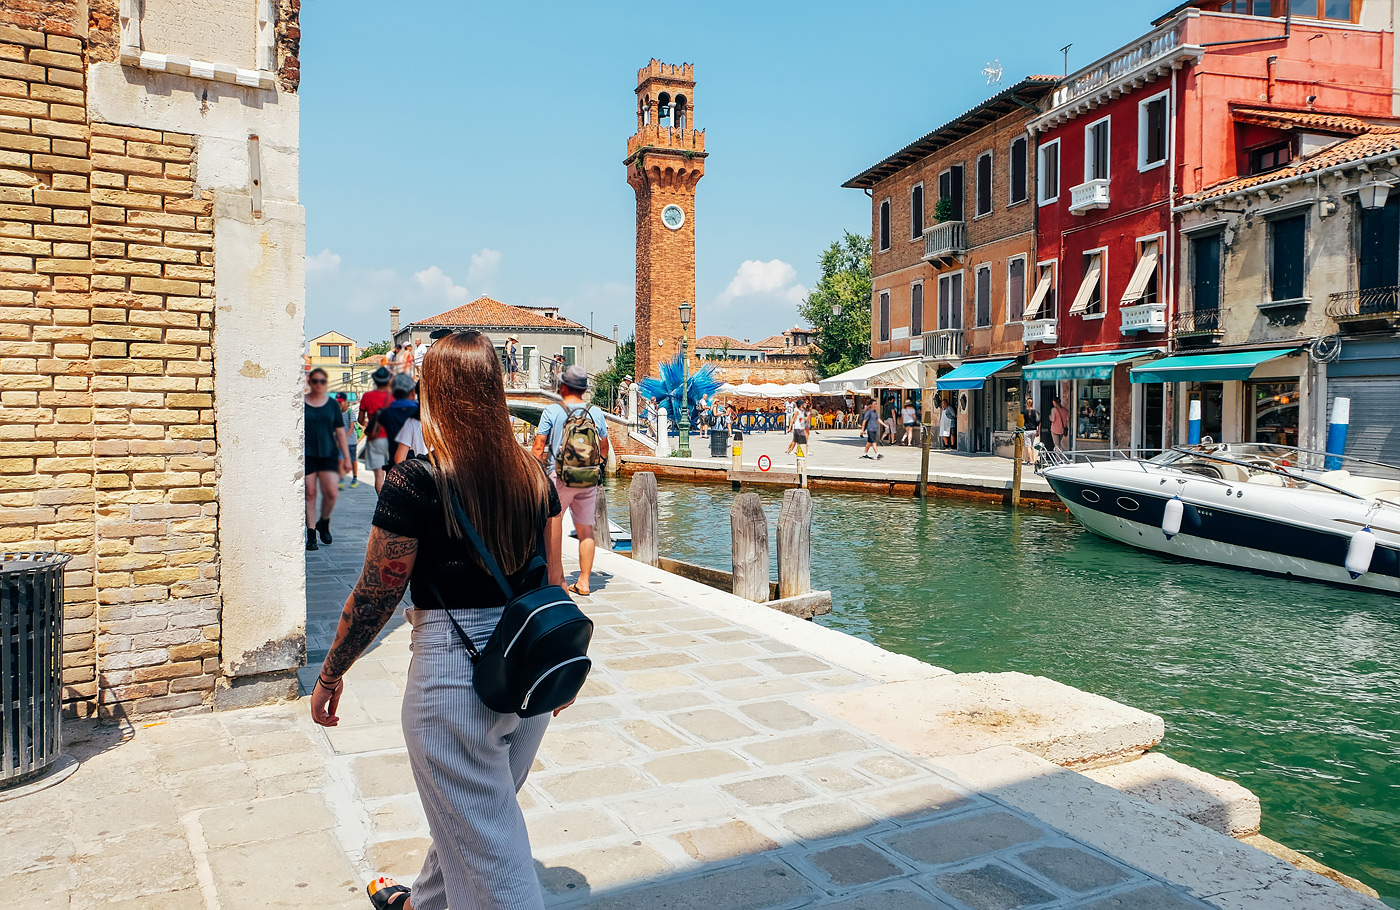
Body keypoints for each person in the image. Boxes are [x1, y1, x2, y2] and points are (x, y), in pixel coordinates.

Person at [310, 330, 567, 910]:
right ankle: (418, 904)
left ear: (435, 396)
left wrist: (331, 674)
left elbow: (376, 594)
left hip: (453, 681)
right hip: (525, 669)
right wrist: (557, 666)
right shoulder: (532, 473)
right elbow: (552, 580)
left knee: (497, 866)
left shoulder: (416, 481)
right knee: (475, 819)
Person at [532, 365, 611, 597]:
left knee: (553, 528)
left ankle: (558, 583)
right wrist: (597, 466)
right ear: (585, 389)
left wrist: (536, 474)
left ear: (563, 387)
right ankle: (584, 582)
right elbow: (604, 447)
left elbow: (538, 447)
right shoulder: (595, 412)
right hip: (587, 476)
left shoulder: (552, 411)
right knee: (585, 529)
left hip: (559, 476)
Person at [303, 368, 349, 551]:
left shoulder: (332, 405)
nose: (318, 384)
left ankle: (324, 522)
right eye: (315, 381)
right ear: (310, 382)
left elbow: (340, 432)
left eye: (322, 381)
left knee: (331, 492)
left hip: (329, 453)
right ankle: (311, 534)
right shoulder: (301, 403)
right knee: (310, 493)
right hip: (308, 454)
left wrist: (347, 457)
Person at [359, 367, 394, 493]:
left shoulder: (367, 396)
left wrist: (370, 424)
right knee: (392, 474)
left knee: (379, 475)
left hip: (374, 439)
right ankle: (390, 502)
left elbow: (360, 420)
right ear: (388, 380)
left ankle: (381, 501)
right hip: (392, 439)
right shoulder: (394, 397)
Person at [373, 373, 420, 465]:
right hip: (417, 464)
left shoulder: (384, 413)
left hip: (393, 465)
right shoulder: (419, 411)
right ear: (413, 392)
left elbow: (372, 432)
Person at [335, 393, 360, 490]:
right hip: (341, 442)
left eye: (341, 402)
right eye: (338, 402)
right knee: (340, 460)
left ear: (345, 401)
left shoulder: (350, 412)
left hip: (351, 441)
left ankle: (355, 478)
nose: (339, 404)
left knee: (353, 460)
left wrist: (344, 439)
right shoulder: (337, 413)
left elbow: (351, 428)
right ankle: (341, 480)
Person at [1020, 401, 1040, 465]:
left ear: (1026, 404)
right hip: (1034, 430)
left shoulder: (1023, 412)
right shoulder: (1036, 412)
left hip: (1027, 430)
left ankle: (1031, 460)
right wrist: (1038, 431)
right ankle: (1030, 459)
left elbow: (1021, 421)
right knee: (1031, 445)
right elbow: (1038, 422)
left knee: (1028, 446)